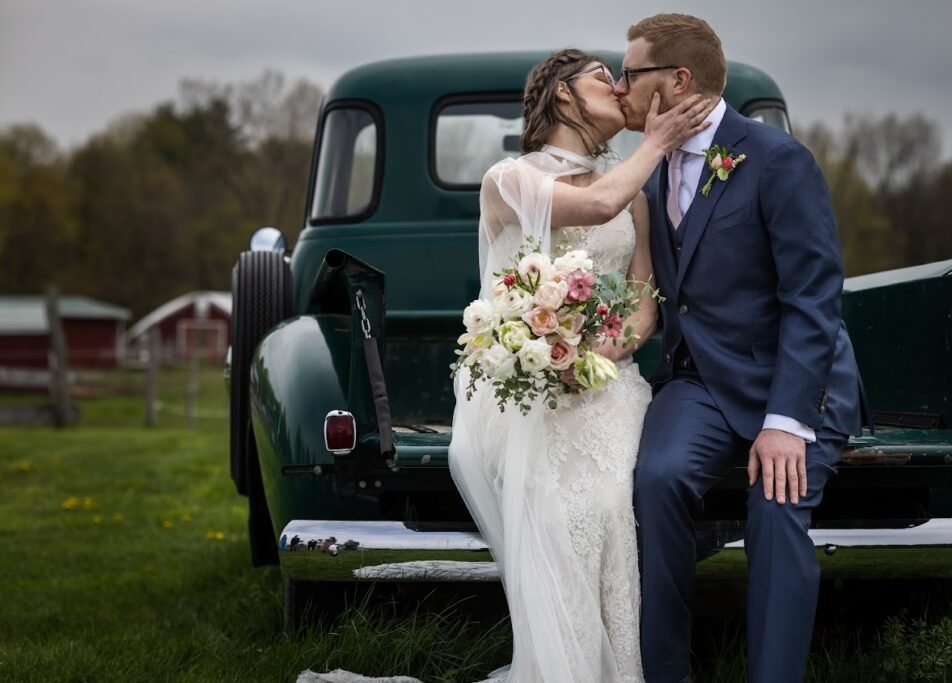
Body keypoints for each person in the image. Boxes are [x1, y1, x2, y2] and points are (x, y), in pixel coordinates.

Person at [298, 49, 712, 683]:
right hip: (525, 391)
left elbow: (642, 305)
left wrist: (598, 355)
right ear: (564, 95)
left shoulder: (635, 195)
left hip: (605, 387)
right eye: (604, 76)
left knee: (611, 505)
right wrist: (655, 142)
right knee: (556, 509)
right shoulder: (509, 179)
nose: (619, 85)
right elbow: (597, 206)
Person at [614, 13, 864, 683]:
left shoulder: (778, 158)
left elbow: (812, 299)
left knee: (775, 507)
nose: (619, 86)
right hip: (699, 382)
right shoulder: (648, 170)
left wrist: (786, 422)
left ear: (677, 80)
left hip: (792, 379)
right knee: (657, 478)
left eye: (630, 73)